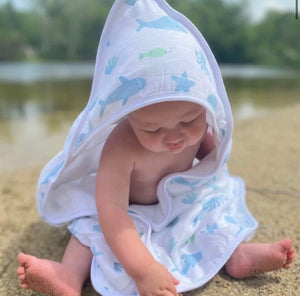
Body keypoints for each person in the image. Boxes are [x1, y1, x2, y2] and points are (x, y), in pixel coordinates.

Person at [17, 1, 295, 296]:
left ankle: (236, 253)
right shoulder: (121, 146)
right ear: (128, 114)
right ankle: (69, 275)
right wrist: (143, 270)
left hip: (177, 204)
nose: (175, 137)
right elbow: (111, 211)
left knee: (212, 209)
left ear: (206, 106)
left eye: (189, 120)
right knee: (89, 230)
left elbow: (212, 169)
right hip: (128, 210)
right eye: (153, 129)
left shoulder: (200, 130)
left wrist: (207, 194)